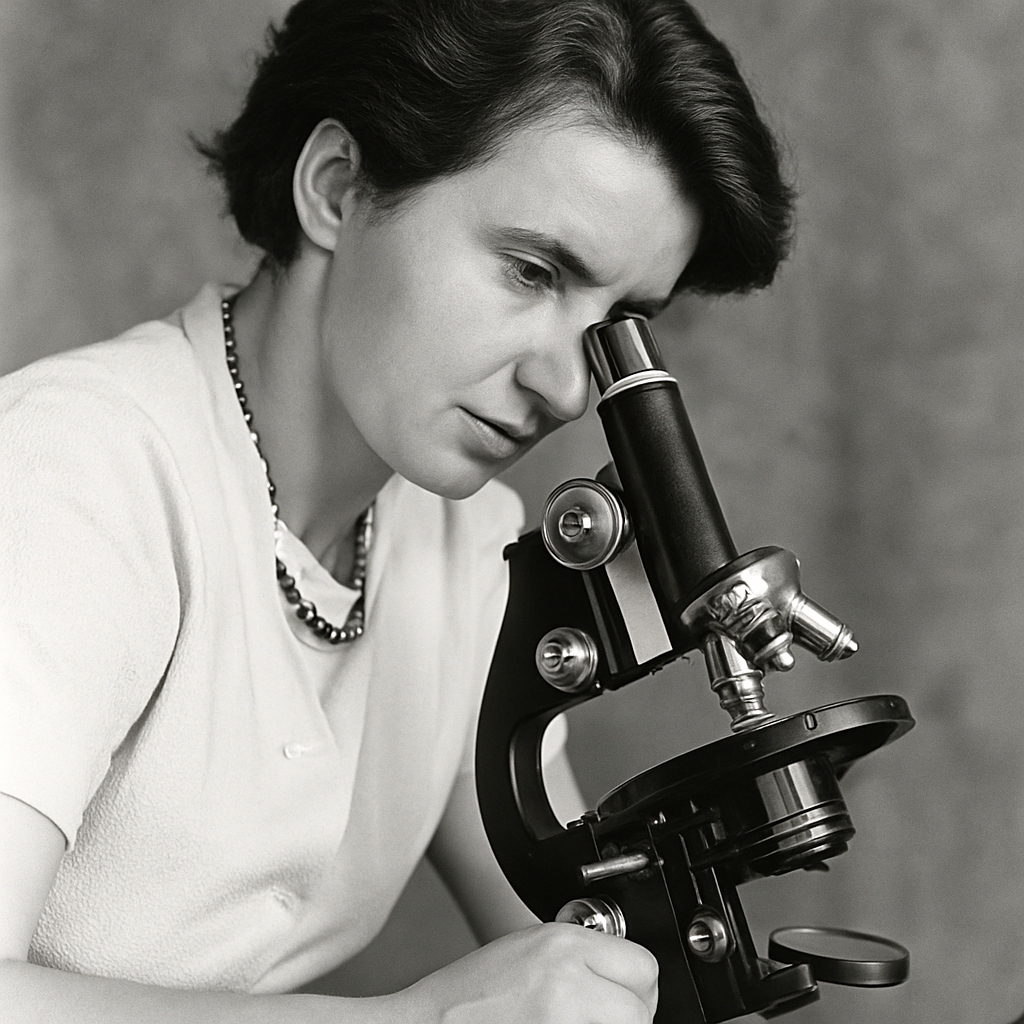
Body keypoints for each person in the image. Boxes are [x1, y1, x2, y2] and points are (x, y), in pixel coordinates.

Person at [0, 0, 794, 1021]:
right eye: (533, 271)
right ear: (337, 188)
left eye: (619, 323)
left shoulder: (462, 549)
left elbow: (571, 960)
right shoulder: (73, 470)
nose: (564, 384)